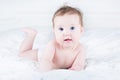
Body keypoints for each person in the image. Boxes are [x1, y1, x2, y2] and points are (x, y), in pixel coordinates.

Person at [18, 5, 85, 72]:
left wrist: (75, 69)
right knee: (22, 54)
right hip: (43, 54)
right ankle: (31, 35)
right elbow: (45, 60)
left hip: (54, 63)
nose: (67, 33)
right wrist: (45, 72)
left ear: (81, 30)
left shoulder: (80, 49)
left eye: (72, 28)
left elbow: (79, 64)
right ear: (54, 31)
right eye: (61, 29)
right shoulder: (53, 45)